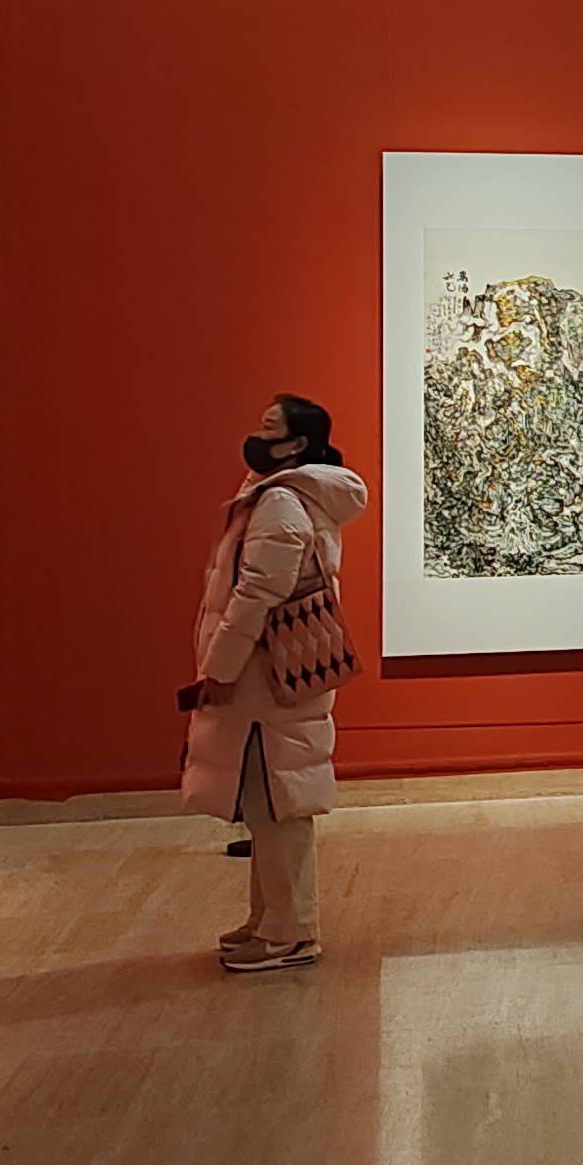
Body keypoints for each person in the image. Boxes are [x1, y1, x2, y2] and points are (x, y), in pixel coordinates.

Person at [180, 393, 369, 972]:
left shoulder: (282, 503)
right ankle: (269, 919)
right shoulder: (278, 496)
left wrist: (220, 667)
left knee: (279, 803)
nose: (256, 437)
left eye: (269, 428)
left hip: (266, 675)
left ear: (296, 444)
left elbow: (258, 594)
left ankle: (291, 931)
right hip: (268, 675)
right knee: (267, 803)